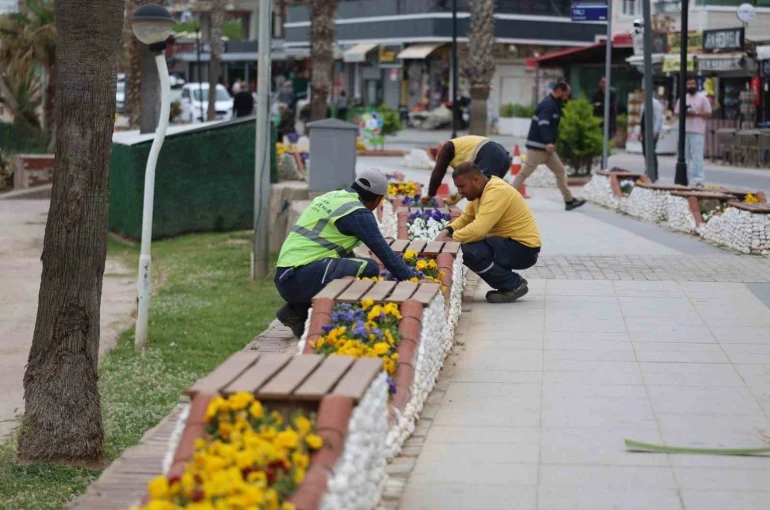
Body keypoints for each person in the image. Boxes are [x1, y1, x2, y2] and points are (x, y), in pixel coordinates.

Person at [274, 168, 413, 337]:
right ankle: (341, 319)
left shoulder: (332, 197)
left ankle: (297, 312)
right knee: (369, 268)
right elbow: (385, 254)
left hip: (286, 275)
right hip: (300, 275)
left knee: (353, 264)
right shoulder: (358, 212)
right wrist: (412, 281)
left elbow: (343, 256)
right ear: (378, 199)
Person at [434, 162, 541, 303]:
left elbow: (479, 229)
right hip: (508, 243)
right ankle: (507, 283)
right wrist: (447, 231)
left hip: (524, 249)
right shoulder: (480, 192)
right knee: (468, 247)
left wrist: (453, 239)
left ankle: (513, 285)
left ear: (476, 180)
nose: (460, 192)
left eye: (462, 186)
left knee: (469, 251)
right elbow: (466, 218)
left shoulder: (496, 191)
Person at [514, 81, 586, 211]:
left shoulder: (554, 104)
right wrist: (548, 141)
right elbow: (543, 124)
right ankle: (504, 200)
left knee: (560, 170)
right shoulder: (548, 105)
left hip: (546, 149)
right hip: (538, 147)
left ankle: (569, 201)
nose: (566, 97)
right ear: (559, 91)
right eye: (565, 94)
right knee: (524, 174)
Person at [425, 135, 512, 198]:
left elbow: (438, 173)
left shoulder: (446, 148)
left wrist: (430, 195)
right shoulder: (459, 151)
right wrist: (459, 197)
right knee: (490, 193)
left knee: (484, 191)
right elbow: (469, 184)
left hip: (490, 154)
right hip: (503, 156)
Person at [675, 77, 712, 187]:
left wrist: (695, 113)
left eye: (693, 83)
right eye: (689, 83)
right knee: (684, 156)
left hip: (697, 131)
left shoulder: (702, 98)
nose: (691, 85)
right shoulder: (682, 98)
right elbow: (676, 112)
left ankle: (698, 180)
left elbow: (708, 113)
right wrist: (684, 112)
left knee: (697, 156)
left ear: (696, 85)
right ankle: (684, 179)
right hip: (684, 131)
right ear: (686, 86)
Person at [639, 86, 664, 178]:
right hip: (643, 131)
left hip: (652, 131)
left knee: (651, 152)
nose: (644, 93)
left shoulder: (656, 104)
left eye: (645, 91)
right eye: (642, 91)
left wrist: (656, 132)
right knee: (645, 152)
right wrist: (639, 132)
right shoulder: (643, 104)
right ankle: (647, 169)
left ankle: (654, 172)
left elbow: (659, 118)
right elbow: (641, 118)